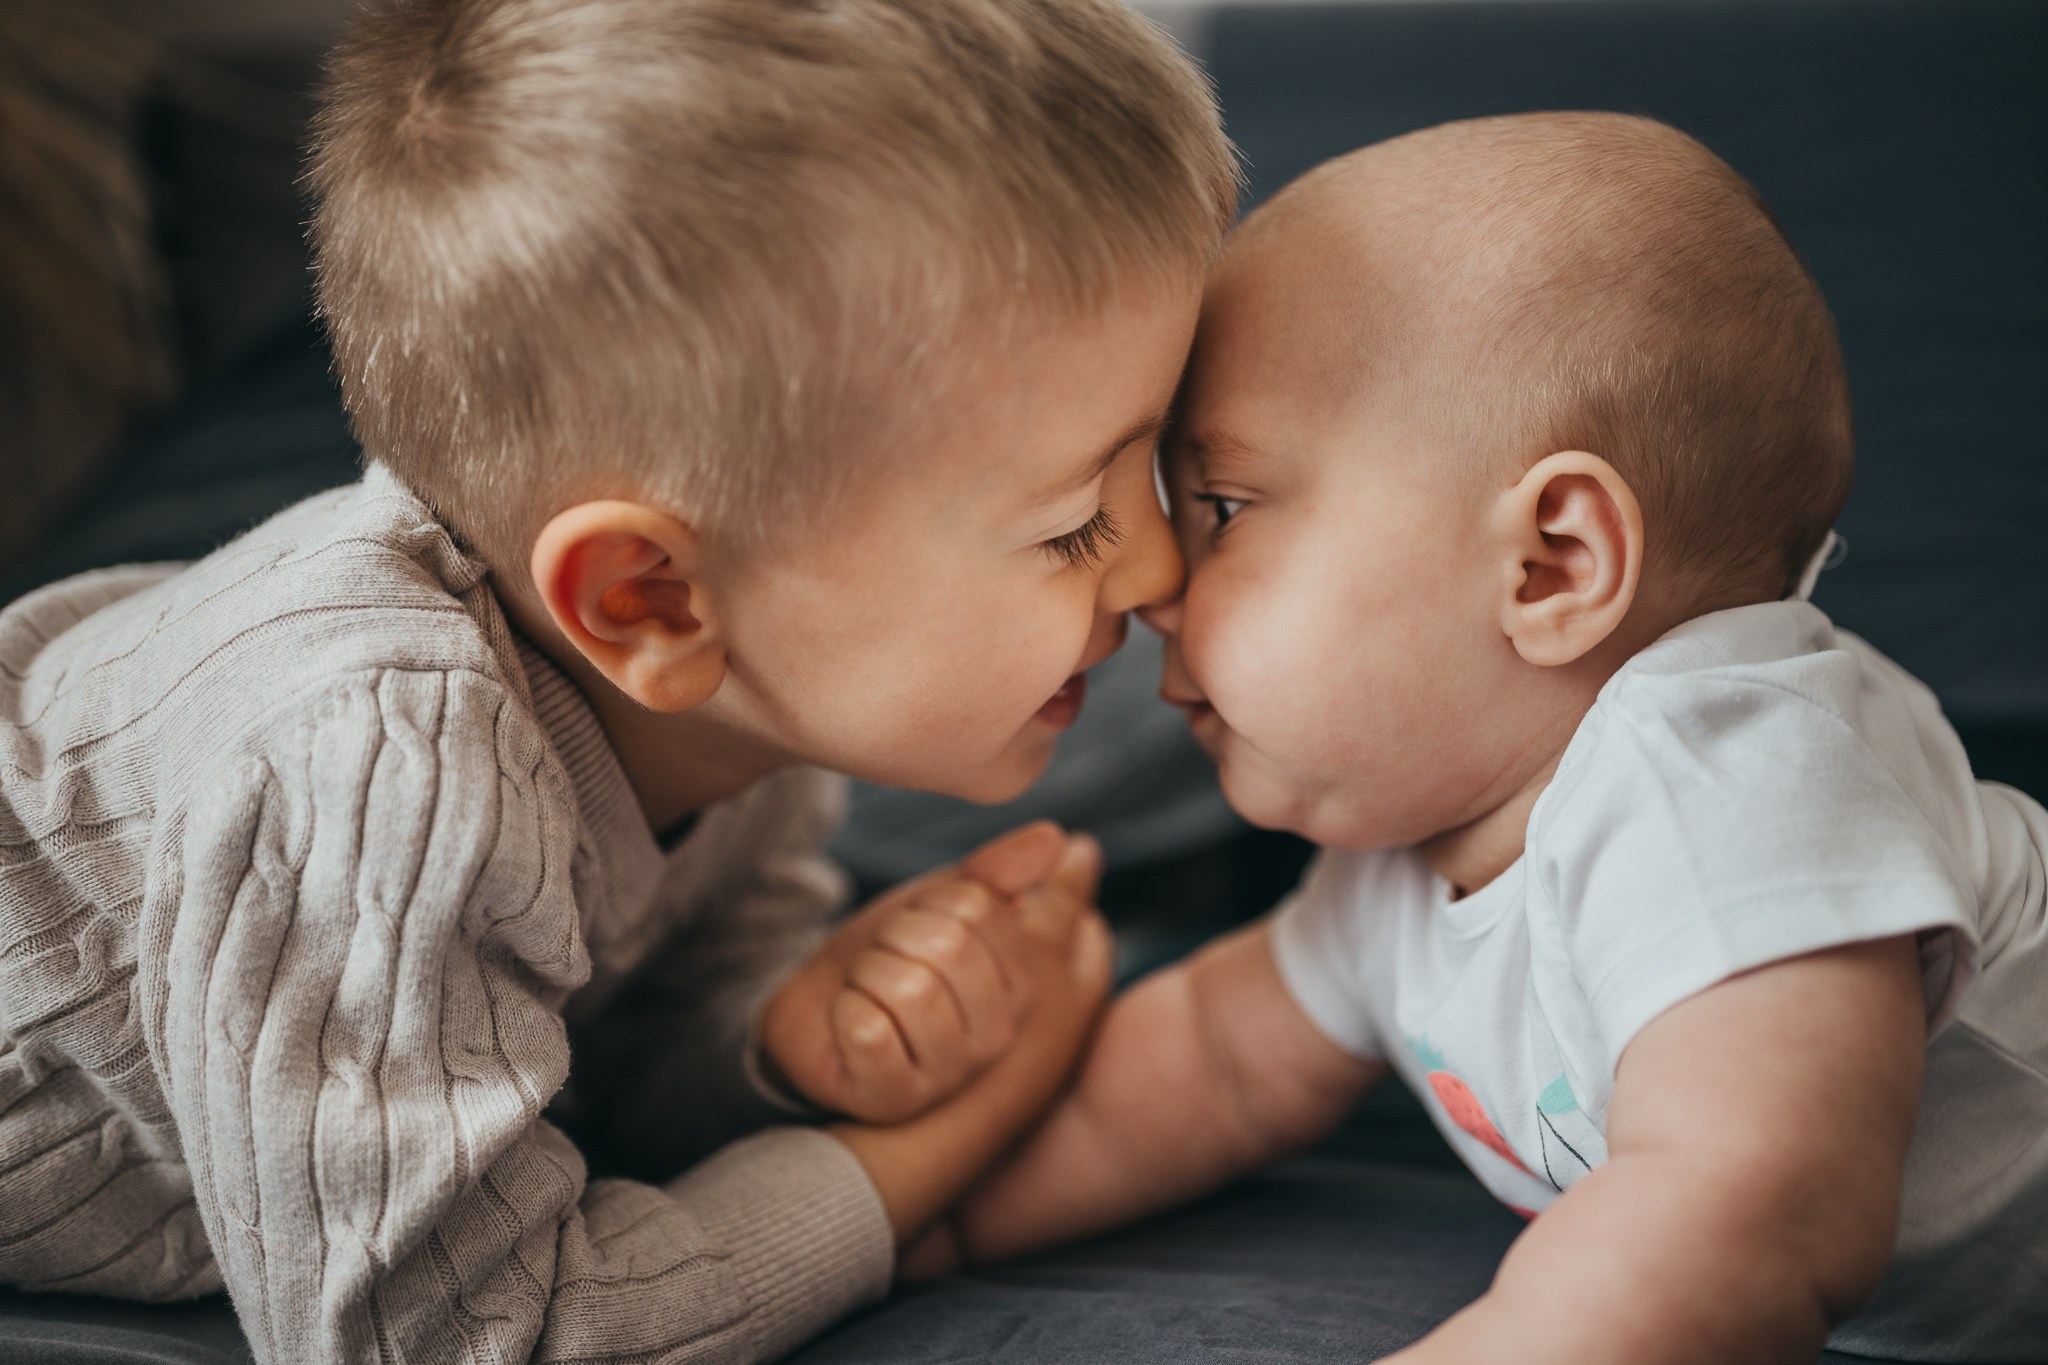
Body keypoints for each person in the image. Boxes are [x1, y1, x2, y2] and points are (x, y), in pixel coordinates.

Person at [0, 1, 1237, 1361]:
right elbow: (466, 1338)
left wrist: (789, 1034)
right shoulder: (382, 772)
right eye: (1072, 524)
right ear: (650, 600)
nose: (1162, 569)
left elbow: (593, 1051)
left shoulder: (732, 704)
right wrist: (931, 1155)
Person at [927, 112, 2048, 1363]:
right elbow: (1207, 1066)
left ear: (1549, 564)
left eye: (1224, 509)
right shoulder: (1403, 850)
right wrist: (916, 1223)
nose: (1149, 589)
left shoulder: (1720, 774)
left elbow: (1753, 1212)